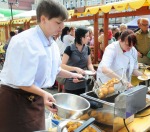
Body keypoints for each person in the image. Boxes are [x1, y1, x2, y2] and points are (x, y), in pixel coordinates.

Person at [0, 1, 82, 131]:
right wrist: (44, 93)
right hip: (15, 99)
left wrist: (72, 75)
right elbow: (21, 81)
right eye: (58, 22)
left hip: (35, 96)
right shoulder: (24, 41)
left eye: (63, 22)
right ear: (43, 19)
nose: (62, 27)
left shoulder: (52, 43)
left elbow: (54, 70)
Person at [61, 27, 95, 95]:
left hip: (83, 81)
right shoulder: (69, 48)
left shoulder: (87, 48)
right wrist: (75, 69)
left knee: (82, 102)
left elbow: (89, 64)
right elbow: (62, 65)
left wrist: (92, 70)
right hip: (71, 81)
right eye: (87, 36)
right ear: (81, 37)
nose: (89, 38)